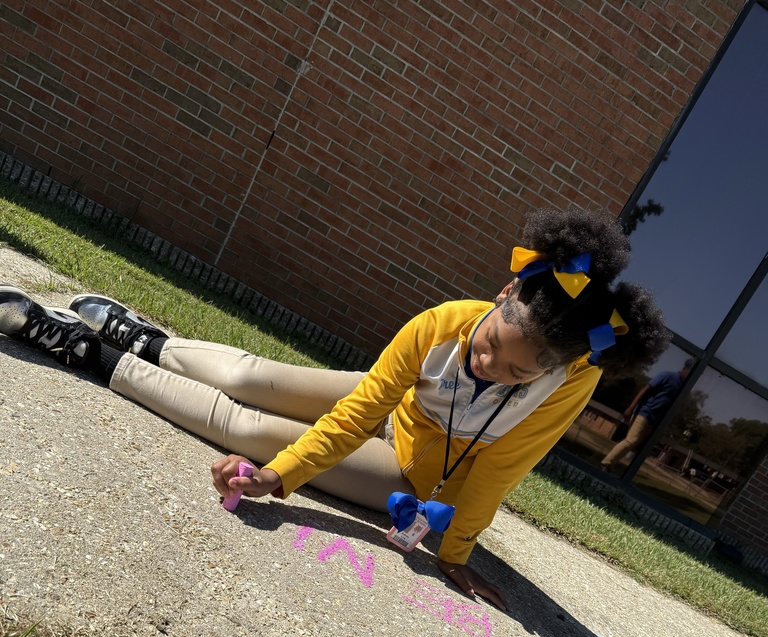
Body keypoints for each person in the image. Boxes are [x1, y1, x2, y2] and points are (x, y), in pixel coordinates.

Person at [0, 208, 669, 609]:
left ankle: (84, 351)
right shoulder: (442, 324)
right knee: (252, 374)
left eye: (517, 372)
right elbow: (359, 410)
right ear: (499, 298)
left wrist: (453, 552)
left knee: (248, 427)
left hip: (412, 472)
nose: (492, 367)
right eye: (491, 346)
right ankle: (143, 338)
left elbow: (498, 473)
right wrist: (292, 474)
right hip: (395, 409)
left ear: (553, 370)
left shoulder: (569, 385)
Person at [600, 357, 695, 471]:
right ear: (685, 368)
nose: (690, 375)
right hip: (644, 411)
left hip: (654, 419)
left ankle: (611, 464)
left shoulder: (683, 387)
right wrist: (631, 407)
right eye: (690, 372)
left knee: (635, 443)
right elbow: (645, 389)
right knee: (632, 440)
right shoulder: (667, 375)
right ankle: (606, 463)